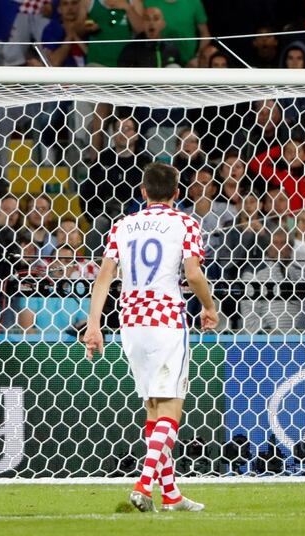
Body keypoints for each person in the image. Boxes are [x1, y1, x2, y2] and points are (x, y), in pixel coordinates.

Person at [83, 162, 218, 513]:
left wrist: (94, 324)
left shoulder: (122, 225)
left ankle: (170, 494)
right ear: (177, 193)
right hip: (166, 317)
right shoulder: (185, 222)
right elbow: (194, 273)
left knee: (154, 407)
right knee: (172, 403)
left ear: (143, 192)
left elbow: (104, 278)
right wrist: (209, 307)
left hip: (129, 320)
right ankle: (144, 485)